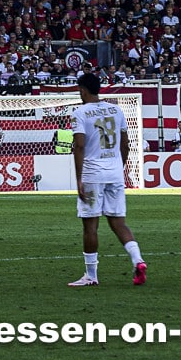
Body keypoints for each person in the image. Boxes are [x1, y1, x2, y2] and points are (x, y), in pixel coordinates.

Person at [68, 73, 147, 287]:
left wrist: (79, 179)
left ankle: (91, 275)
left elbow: (80, 146)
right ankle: (138, 260)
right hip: (114, 172)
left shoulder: (80, 113)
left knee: (90, 226)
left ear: (83, 90)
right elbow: (125, 145)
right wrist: (118, 169)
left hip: (92, 174)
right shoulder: (116, 109)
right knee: (118, 222)